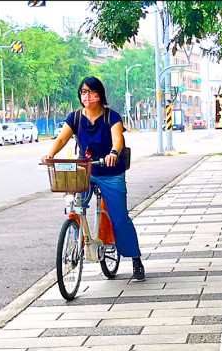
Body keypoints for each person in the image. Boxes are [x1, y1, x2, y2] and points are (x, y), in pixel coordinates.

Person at [42, 76, 145, 281]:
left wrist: (114, 153)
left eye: (90, 92)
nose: (86, 96)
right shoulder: (76, 118)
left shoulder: (111, 117)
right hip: (85, 170)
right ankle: (80, 238)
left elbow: (118, 139)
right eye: (83, 92)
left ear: (100, 94)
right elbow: (62, 138)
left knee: (120, 218)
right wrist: (50, 154)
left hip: (110, 171)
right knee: (75, 206)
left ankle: (135, 258)